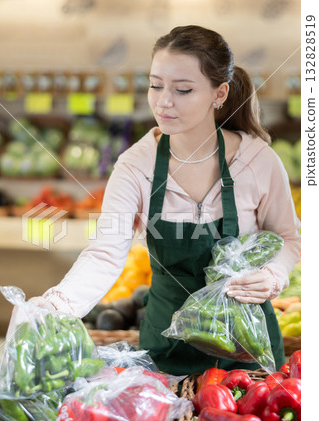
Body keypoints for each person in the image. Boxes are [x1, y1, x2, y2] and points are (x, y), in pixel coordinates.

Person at [28, 25, 301, 375]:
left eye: (183, 89)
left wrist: (273, 273)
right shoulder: (134, 166)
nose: (163, 101)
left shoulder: (257, 161)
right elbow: (105, 253)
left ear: (219, 94)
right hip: (167, 350)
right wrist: (55, 305)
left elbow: (289, 238)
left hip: (248, 352)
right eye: (155, 85)